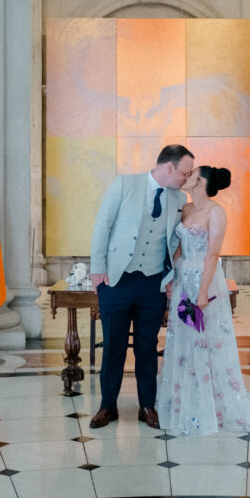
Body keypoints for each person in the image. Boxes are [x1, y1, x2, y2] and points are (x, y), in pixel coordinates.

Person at [156, 166, 250, 435]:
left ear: (203, 182)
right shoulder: (185, 211)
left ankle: (213, 404)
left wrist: (202, 293)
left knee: (207, 341)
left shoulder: (216, 212)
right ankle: (184, 398)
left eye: (193, 175)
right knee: (183, 340)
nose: (188, 178)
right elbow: (177, 248)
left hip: (205, 281)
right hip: (183, 278)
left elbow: (212, 255)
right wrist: (171, 279)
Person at [88, 144, 194, 430]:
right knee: (114, 346)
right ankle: (106, 406)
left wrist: (171, 275)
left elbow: (175, 241)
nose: (186, 179)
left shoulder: (179, 198)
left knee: (147, 347)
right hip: (117, 280)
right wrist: (97, 268)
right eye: (184, 173)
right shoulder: (125, 184)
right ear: (169, 167)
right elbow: (102, 225)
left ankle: (147, 406)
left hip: (153, 283)